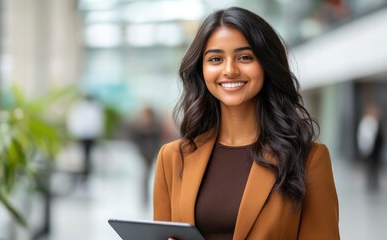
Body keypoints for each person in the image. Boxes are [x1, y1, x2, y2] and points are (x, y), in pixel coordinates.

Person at [152, 6, 339, 240]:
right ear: (201, 69)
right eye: (216, 59)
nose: (229, 70)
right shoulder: (172, 158)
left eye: (244, 57)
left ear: (266, 65)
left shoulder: (309, 159)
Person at [66, 94, 104, 182]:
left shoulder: (95, 107)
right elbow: (75, 120)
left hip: (90, 134)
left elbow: (97, 122)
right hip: (82, 134)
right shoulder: (79, 107)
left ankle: (87, 171)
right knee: (81, 153)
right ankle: (82, 171)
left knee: (88, 153)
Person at [357, 103, 384, 192]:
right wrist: (367, 149)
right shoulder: (368, 121)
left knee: (374, 167)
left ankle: (374, 183)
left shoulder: (375, 121)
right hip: (370, 150)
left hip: (375, 150)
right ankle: (370, 184)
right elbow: (366, 137)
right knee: (370, 167)